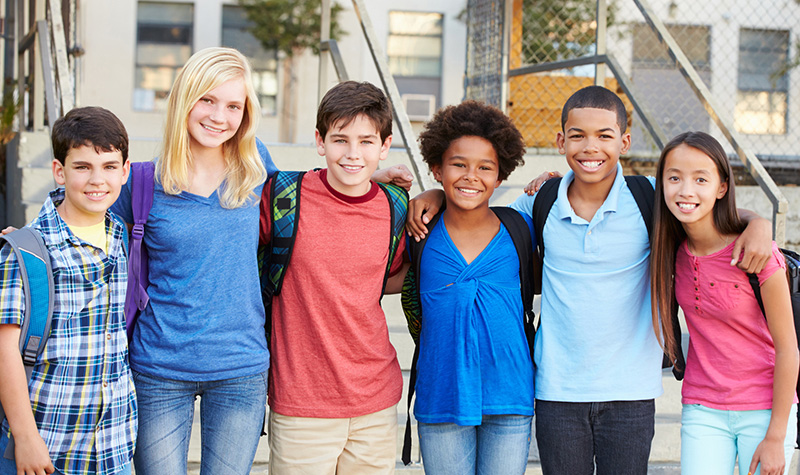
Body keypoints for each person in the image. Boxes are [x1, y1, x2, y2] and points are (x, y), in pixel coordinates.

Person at [406, 85, 773, 474]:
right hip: (557, 390)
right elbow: (476, 209)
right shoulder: (539, 201)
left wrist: (758, 222)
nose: (590, 147)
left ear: (625, 141)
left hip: (631, 391)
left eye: (604, 136)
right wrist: (435, 195)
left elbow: (704, 210)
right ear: (561, 141)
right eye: (578, 136)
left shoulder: (649, 198)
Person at [260, 80, 407, 474]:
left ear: (385, 145)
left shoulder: (394, 206)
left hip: (376, 398)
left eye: (366, 141)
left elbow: (390, 277)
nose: (353, 154)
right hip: (303, 401)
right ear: (320, 141)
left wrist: (436, 196)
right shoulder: (283, 198)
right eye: (341, 140)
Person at [651, 131, 798, 475]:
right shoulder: (671, 250)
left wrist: (776, 436)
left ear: (721, 187)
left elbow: (788, 349)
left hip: (764, 409)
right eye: (675, 178)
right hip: (703, 407)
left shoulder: (759, 254)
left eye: (700, 179)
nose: (686, 190)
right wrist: (557, 179)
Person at [0, 106, 135, 475]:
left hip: (114, 447)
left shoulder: (122, 237)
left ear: (125, 171)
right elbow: (4, 350)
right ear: (60, 171)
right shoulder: (26, 251)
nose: (97, 180)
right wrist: (25, 437)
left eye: (109, 167)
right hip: (48, 445)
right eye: (82, 167)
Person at [405, 100, 534, 474]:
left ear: (500, 175)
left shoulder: (520, 229)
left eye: (485, 168)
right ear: (436, 168)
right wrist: (429, 197)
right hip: (442, 395)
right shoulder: (419, 233)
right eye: (459, 164)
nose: (470, 176)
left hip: (510, 396)